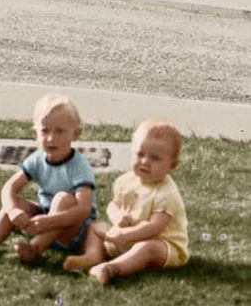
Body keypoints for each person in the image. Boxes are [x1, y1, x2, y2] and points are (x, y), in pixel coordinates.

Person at [0, 94, 96, 268]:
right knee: (14, 203)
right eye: (45, 131)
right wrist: (13, 211)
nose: (51, 138)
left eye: (59, 131)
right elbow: (9, 188)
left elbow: (83, 210)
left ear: (76, 133)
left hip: (74, 231)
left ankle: (35, 249)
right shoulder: (37, 160)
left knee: (63, 198)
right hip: (45, 221)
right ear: (35, 132)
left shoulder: (78, 166)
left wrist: (50, 221)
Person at [64, 119, 189, 285]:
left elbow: (154, 228)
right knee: (95, 227)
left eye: (155, 158)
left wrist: (126, 235)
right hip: (126, 237)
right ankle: (93, 256)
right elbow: (113, 205)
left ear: (172, 165)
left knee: (147, 247)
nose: (145, 161)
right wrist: (117, 218)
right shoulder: (126, 180)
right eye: (140, 154)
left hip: (162, 245)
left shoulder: (166, 193)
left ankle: (111, 268)